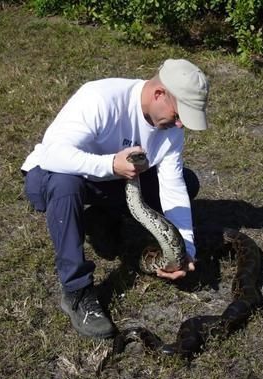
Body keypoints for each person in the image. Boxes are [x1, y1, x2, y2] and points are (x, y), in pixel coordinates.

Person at [21, 59, 209, 339]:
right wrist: (111, 165)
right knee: (64, 184)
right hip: (56, 174)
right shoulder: (101, 98)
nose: (181, 123)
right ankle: (76, 292)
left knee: (188, 180)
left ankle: (101, 219)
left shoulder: (171, 129)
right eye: (180, 113)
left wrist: (186, 250)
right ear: (159, 94)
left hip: (117, 182)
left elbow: (172, 186)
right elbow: (53, 154)